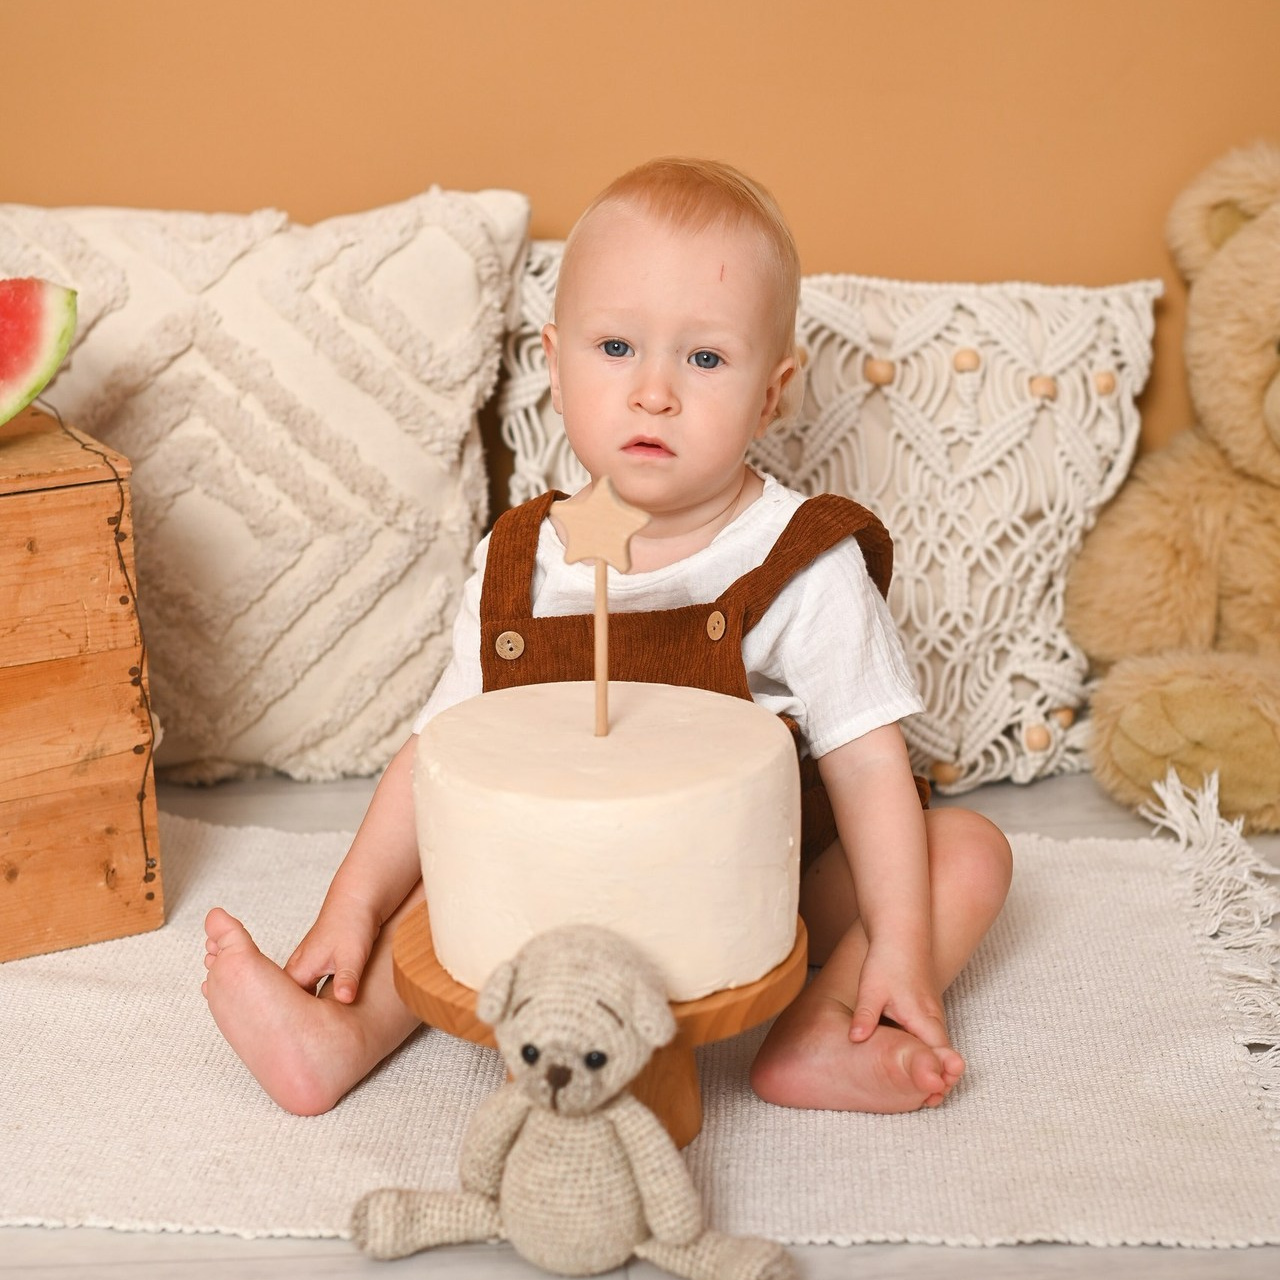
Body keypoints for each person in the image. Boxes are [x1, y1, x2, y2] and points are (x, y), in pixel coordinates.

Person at [203, 157, 1012, 1118]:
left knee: (965, 851)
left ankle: (829, 1026)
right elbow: (435, 756)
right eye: (616, 347)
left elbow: (869, 768)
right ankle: (336, 1036)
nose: (655, 393)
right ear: (554, 362)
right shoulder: (522, 560)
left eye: (705, 359)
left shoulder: (803, 561)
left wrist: (903, 947)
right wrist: (351, 906)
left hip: (763, 884)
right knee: (450, 887)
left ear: (772, 391)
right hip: (556, 885)